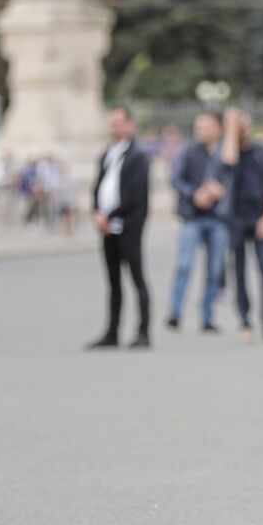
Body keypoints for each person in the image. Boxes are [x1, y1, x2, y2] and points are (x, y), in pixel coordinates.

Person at [87, 105, 152, 350]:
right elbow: (99, 186)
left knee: (137, 279)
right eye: (111, 123)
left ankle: (143, 331)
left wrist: (109, 214)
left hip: (129, 226)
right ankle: (112, 331)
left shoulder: (138, 156)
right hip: (107, 227)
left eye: (118, 123)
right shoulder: (107, 154)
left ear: (130, 125)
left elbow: (132, 195)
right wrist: (96, 211)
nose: (114, 127)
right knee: (113, 282)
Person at [166, 111, 229, 333]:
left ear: (217, 129)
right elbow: (175, 178)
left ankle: (208, 317)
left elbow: (233, 178)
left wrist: (220, 191)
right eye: (198, 126)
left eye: (205, 126)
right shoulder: (188, 152)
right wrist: (194, 194)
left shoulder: (224, 153)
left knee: (214, 270)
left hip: (218, 218)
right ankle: (175, 312)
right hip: (192, 217)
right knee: (184, 266)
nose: (200, 130)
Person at [221, 107, 263, 343]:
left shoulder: (262, 152)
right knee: (240, 273)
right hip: (235, 219)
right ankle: (244, 321)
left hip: (259, 218)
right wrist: (231, 130)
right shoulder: (226, 150)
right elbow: (228, 162)